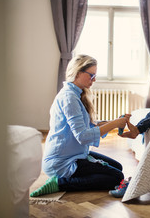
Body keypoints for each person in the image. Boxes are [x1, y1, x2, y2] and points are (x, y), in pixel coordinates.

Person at [30, 55, 133, 197]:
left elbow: (89, 125)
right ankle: (60, 183)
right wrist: (115, 124)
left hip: (74, 154)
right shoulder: (69, 98)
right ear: (78, 73)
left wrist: (114, 121)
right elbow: (83, 136)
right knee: (116, 177)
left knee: (118, 167)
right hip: (62, 161)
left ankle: (67, 179)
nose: (94, 79)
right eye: (91, 75)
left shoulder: (75, 94)